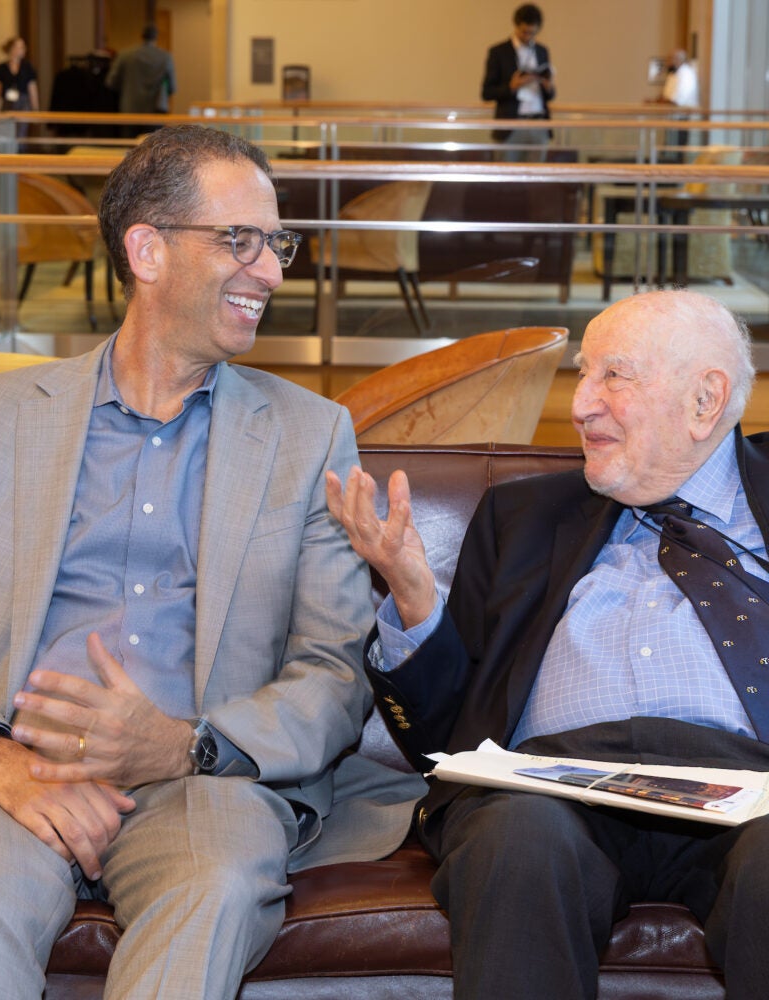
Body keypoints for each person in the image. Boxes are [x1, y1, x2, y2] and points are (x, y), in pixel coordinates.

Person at [0, 123, 423, 999]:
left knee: (210, 891)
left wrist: (186, 743)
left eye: (277, 244)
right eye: (240, 240)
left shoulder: (308, 437)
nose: (272, 272)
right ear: (147, 251)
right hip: (15, 772)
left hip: (207, 783)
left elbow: (335, 673)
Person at [327, 289, 769, 1000]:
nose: (581, 404)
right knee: (515, 841)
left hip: (753, 789)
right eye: (583, 374)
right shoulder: (524, 517)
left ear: (704, 400)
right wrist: (412, 593)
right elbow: (445, 738)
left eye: (613, 376)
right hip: (553, 790)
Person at [480, 3, 555, 161]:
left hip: (538, 123)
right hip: (511, 125)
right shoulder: (499, 52)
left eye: (532, 33)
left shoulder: (542, 51)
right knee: (505, 174)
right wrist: (511, 87)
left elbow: (550, 95)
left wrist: (548, 87)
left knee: (537, 174)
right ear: (516, 26)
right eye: (524, 32)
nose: (528, 36)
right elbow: (486, 92)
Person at [105, 24, 177, 136]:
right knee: (153, 145)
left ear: (141, 35)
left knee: (129, 145)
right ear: (156, 36)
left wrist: (127, 88)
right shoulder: (165, 57)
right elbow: (172, 87)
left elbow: (111, 82)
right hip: (155, 111)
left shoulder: (125, 55)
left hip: (130, 109)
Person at [0, 36, 39, 113]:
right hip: (7, 102)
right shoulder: (2, 67)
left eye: (23, 47)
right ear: (11, 49)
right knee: (7, 119)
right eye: (19, 47)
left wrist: (35, 109)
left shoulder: (27, 67)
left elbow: (32, 89)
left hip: (23, 103)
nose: (22, 50)